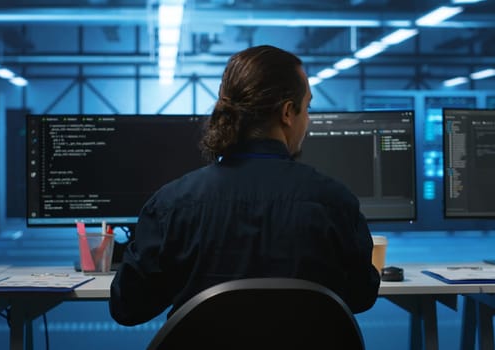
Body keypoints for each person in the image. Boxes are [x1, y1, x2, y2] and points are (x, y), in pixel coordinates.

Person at [109, 45, 380, 326]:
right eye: (307, 108)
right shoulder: (335, 203)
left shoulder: (171, 205)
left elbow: (127, 307)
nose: (307, 121)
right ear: (288, 112)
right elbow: (362, 296)